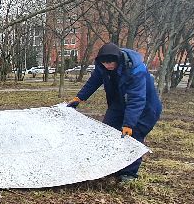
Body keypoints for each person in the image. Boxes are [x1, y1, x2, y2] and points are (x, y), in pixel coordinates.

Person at [66, 42, 162, 182]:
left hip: (145, 108)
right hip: (118, 103)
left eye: (111, 63)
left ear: (118, 59)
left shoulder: (136, 70)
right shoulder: (102, 66)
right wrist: (79, 98)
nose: (108, 66)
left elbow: (137, 99)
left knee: (132, 136)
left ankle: (128, 174)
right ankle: (111, 167)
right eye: (105, 63)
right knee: (108, 131)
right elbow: (93, 81)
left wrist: (128, 124)